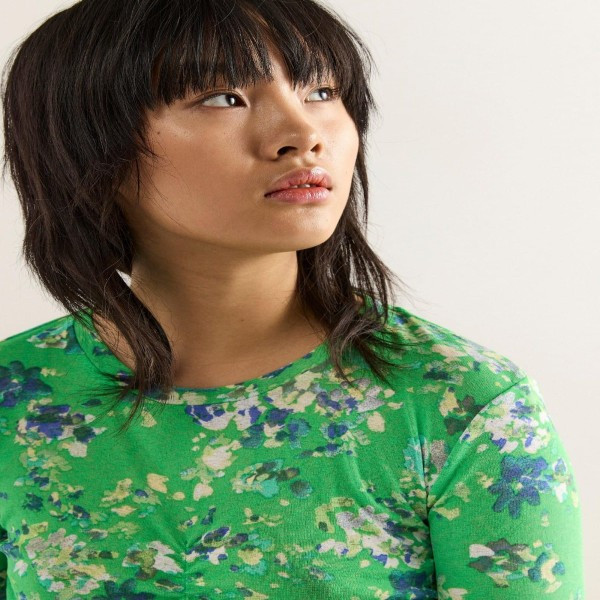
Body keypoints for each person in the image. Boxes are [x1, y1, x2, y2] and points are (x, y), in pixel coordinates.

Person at [0, 0, 584, 598]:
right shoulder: (13, 401)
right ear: (86, 146)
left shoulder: (462, 405)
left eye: (322, 92)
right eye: (223, 98)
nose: (304, 135)